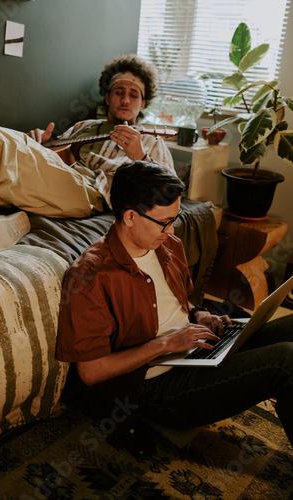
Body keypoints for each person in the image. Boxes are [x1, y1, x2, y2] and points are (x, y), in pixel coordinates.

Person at [56, 160, 293, 456]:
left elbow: (179, 302)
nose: (170, 229)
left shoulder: (167, 245)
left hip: (194, 350)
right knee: (286, 360)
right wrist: (166, 343)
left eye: (175, 218)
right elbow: (91, 372)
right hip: (154, 386)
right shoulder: (91, 277)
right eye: (164, 221)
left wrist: (199, 314)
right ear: (130, 216)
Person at [0, 54, 174, 252]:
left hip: (90, 191)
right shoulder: (85, 126)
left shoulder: (150, 138)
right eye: (119, 92)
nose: (125, 100)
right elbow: (54, 160)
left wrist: (140, 157)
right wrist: (40, 145)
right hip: (63, 180)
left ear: (143, 103)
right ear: (107, 98)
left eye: (133, 95)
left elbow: (169, 192)